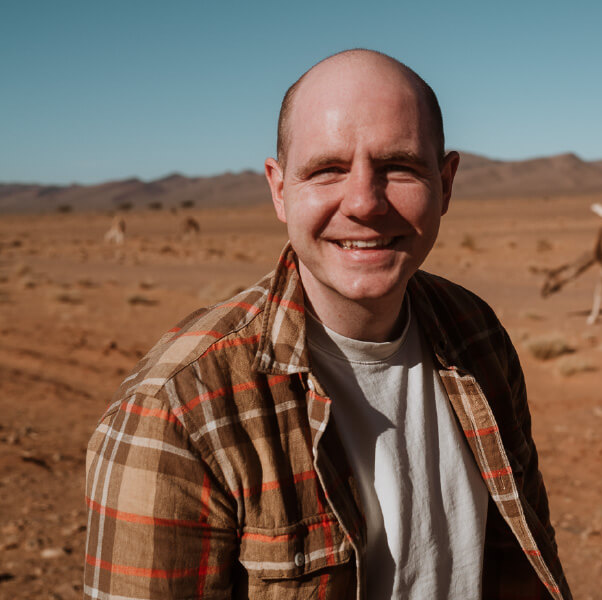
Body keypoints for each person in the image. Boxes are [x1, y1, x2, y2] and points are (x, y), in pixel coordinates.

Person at [84, 49, 571, 599]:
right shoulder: (178, 408)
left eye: (399, 167)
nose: (363, 202)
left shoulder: (475, 333)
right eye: (327, 170)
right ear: (279, 189)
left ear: (447, 182)